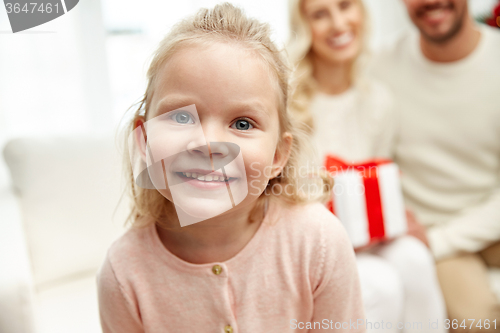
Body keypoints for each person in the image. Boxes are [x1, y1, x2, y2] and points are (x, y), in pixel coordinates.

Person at [97, 3, 365, 332]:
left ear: (278, 155)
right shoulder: (122, 273)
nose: (208, 144)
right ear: (143, 137)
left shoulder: (319, 243)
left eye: (241, 123)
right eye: (181, 117)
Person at [287, 0, 446, 332]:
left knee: (414, 257)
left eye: (345, 6)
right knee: (381, 282)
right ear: (304, 27)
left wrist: (398, 218)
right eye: (320, 14)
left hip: (368, 236)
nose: (338, 23)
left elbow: (377, 183)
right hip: (314, 242)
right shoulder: (291, 105)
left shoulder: (378, 101)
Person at [371, 0, 500, 330]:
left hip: (488, 223)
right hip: (433, 233)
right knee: (480, 323)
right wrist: (433, 240)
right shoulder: (382, 67)